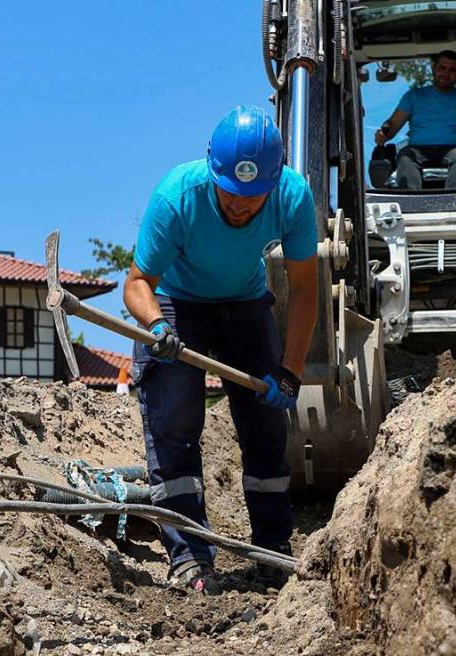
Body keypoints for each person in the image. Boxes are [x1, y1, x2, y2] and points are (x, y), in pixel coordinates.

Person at [123, 105, 318, 594]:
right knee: (175, 423)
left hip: (245, 302)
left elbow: (305, 291)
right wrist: (156, 327)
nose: (239, 205)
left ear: (273, 183)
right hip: (174, 303)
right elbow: (137, 284)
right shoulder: (176, 196)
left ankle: (272, 551)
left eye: (252, 197)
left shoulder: (293, 196)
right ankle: (190, 559)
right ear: (213, 172)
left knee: (266, 426)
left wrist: (290, 370)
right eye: (230, 191)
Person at [375, 50, 456, 189]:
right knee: (405, 156)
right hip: (418, 150)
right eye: (442, 68)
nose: (446, 73)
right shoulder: (413, 96)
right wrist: (383, 134)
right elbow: (392, 125)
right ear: (433, 69)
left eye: (452, 70)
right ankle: (413, 198)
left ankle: (454, 199)